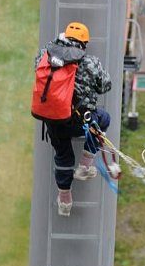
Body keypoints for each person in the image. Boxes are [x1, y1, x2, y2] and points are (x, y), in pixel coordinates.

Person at [34, 22, 112, 216]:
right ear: (84, 44)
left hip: (54, 119)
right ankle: (85, 164)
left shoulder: (45, 54)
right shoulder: (90, 62)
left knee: (63, 155)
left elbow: (37, 70)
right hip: (80, 121)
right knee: (103, 119)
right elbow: (105, 86)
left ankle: (64, 200)